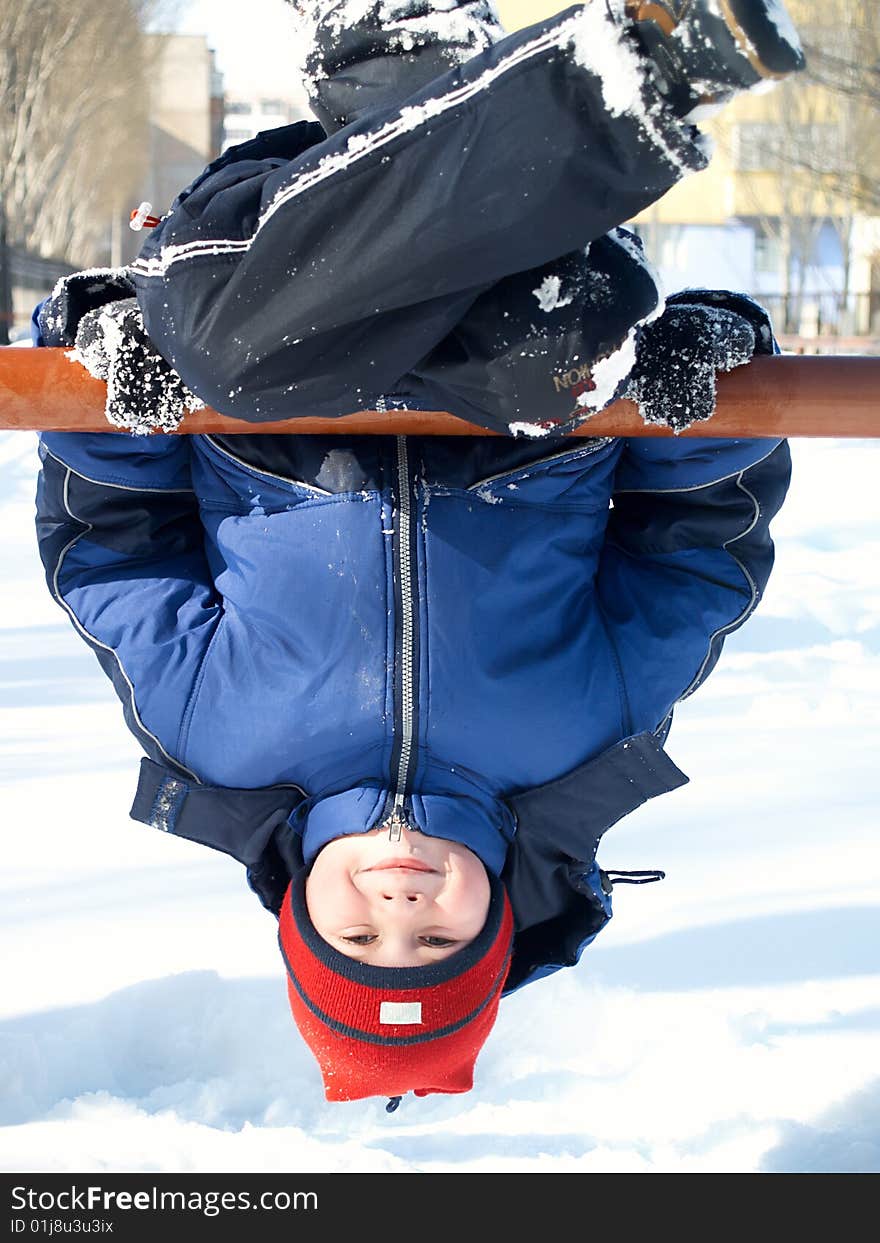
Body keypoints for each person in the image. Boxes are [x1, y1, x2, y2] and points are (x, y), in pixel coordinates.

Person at [33, 0, 803, 1107]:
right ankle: (427, 69)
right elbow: (696, 547)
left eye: (357, 935)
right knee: (551, 344)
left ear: (301, 910)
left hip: (270, 316)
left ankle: (540, 76)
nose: (400, 911)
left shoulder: (216, 738)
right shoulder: (586, 729)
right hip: (526, 352)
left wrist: (114, 370)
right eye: (437, 941)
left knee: (219, 338)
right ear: (495, 913)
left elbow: (114, 548)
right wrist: (695, 379)